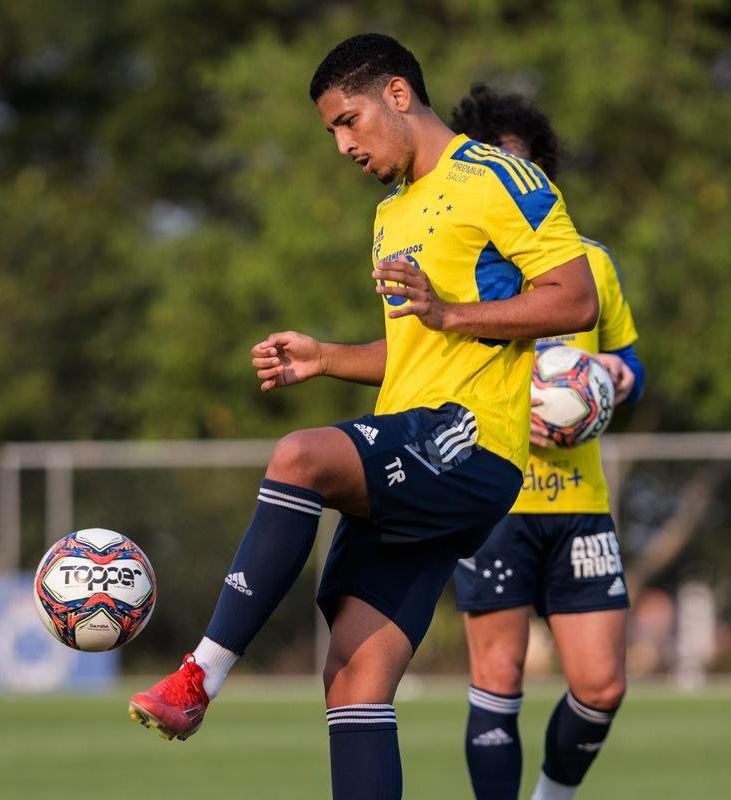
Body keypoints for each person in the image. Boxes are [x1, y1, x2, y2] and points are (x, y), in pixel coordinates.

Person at [127, 35, 599, 800]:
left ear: (399, 96)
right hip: (418, 450)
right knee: (352, 679)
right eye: (331, 133)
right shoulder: (390, 215)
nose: (343, 144)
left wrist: (448, 309)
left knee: (300, 458)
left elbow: (576, 299)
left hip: (470, 441)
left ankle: (199, 676)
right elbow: (418, 348)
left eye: (349, 121)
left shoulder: (494, 175)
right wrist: (326, 358)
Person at [450, 84, 645, 800]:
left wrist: (619, 378)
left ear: (543, 174)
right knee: (497, 678)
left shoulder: (588, 263)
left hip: (581, 503)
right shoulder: (459, 269)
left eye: (521, 168)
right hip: (496, 500)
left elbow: (631, 361)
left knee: (602, 684)